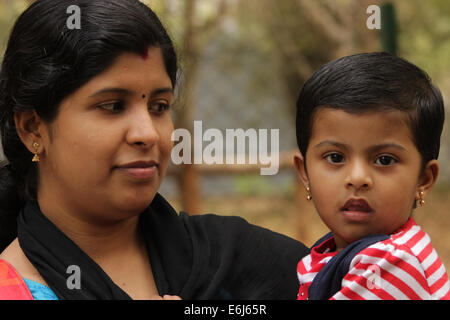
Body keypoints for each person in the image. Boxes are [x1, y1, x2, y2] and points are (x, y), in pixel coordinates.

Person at [0, 0, 309, 300]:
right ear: (32, 128)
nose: (148, 134)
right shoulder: (11, 288)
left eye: (159, 106)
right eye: (113, 106)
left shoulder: (236, 261)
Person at [293, 52, 450, 300]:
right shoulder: (335, 251)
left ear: (424, 179)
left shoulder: (392, 263)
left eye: (384, 160)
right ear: (305, 173)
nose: (357, 178)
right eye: (335, 157)